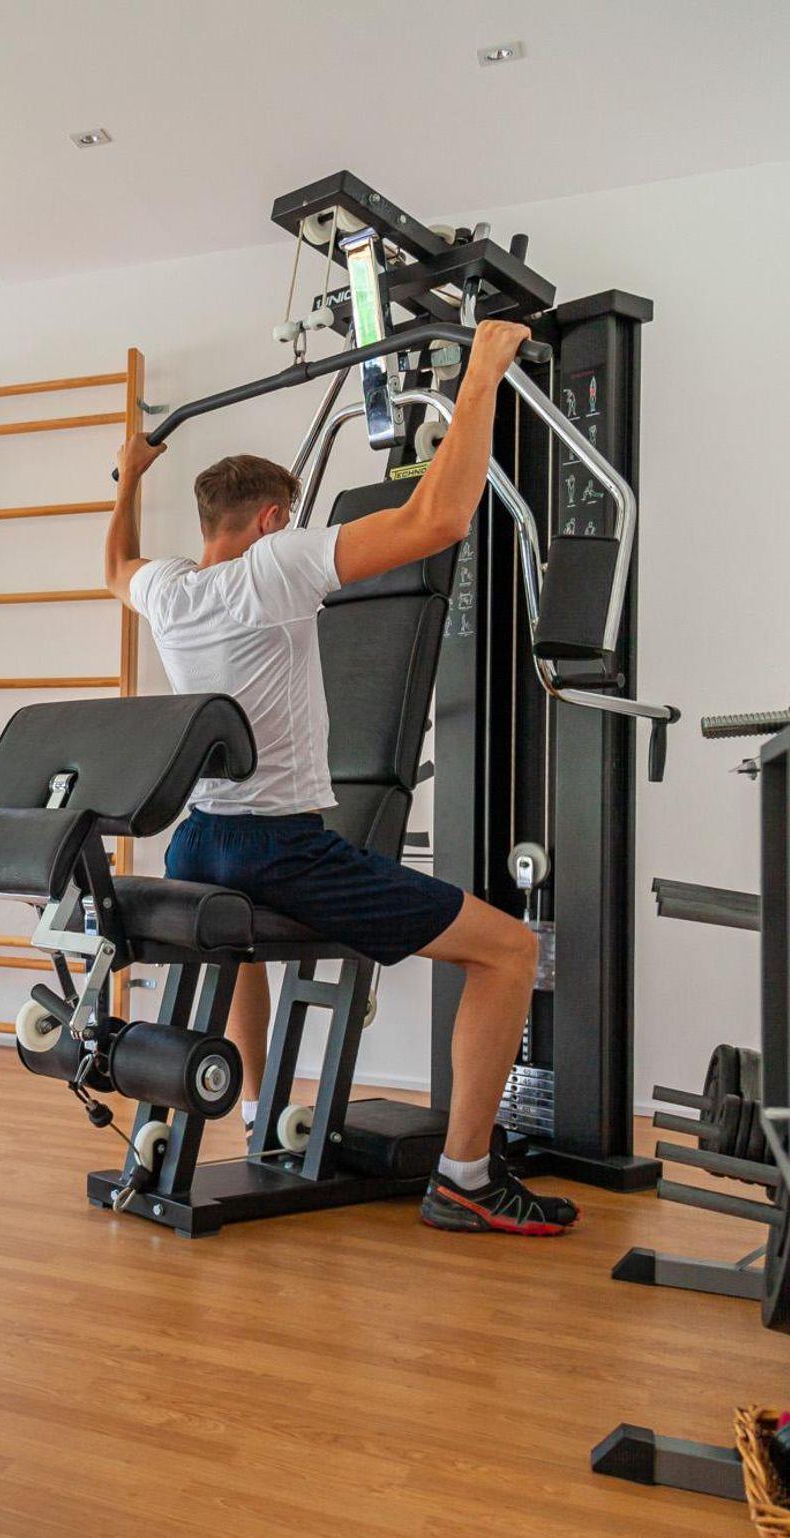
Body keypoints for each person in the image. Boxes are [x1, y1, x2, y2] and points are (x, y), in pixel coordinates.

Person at [107, 318, 573, 1236]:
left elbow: (112, 566)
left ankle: (254, 1114)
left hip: (196, 841)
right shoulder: (275, 567)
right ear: (272, 521)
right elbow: (439, 521)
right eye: (287, 520)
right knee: (509, 950)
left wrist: (127, 478)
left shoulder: (168, 590)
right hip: (280, 849)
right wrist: (481, 374)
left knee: (230, 935)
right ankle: (467, 1178)